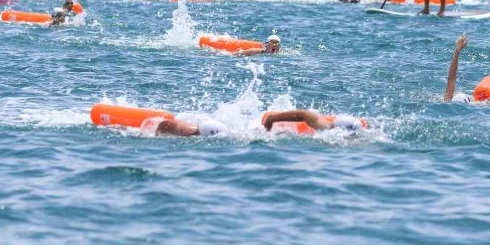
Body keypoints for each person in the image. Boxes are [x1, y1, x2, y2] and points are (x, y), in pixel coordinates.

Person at [140, 109, 365, 136]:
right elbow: (305, 114)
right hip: (252, 130)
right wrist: (272, 119)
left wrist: (274, 119)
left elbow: (306, 115)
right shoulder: (326, 126)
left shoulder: (328, 126)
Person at [444, 34, 471, 102]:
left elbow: (451, 79)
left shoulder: (448, 101)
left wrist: (457, 51)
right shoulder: (477, 105)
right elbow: (451, 79)